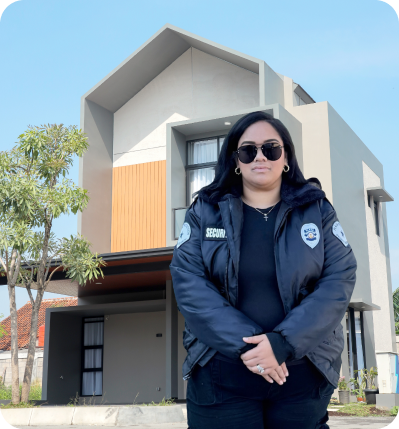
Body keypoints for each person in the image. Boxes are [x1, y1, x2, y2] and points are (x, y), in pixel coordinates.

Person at [170, 111, 357, 429]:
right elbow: (188, 281)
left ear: (285, 157)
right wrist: (251, 347)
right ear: (236, 160)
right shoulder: (204, 210)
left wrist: (282, 343)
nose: (260, 157)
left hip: (301, 373)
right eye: (248, 150)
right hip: (222, 373)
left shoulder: (317, 210)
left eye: (271, 148)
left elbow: (339, 278)